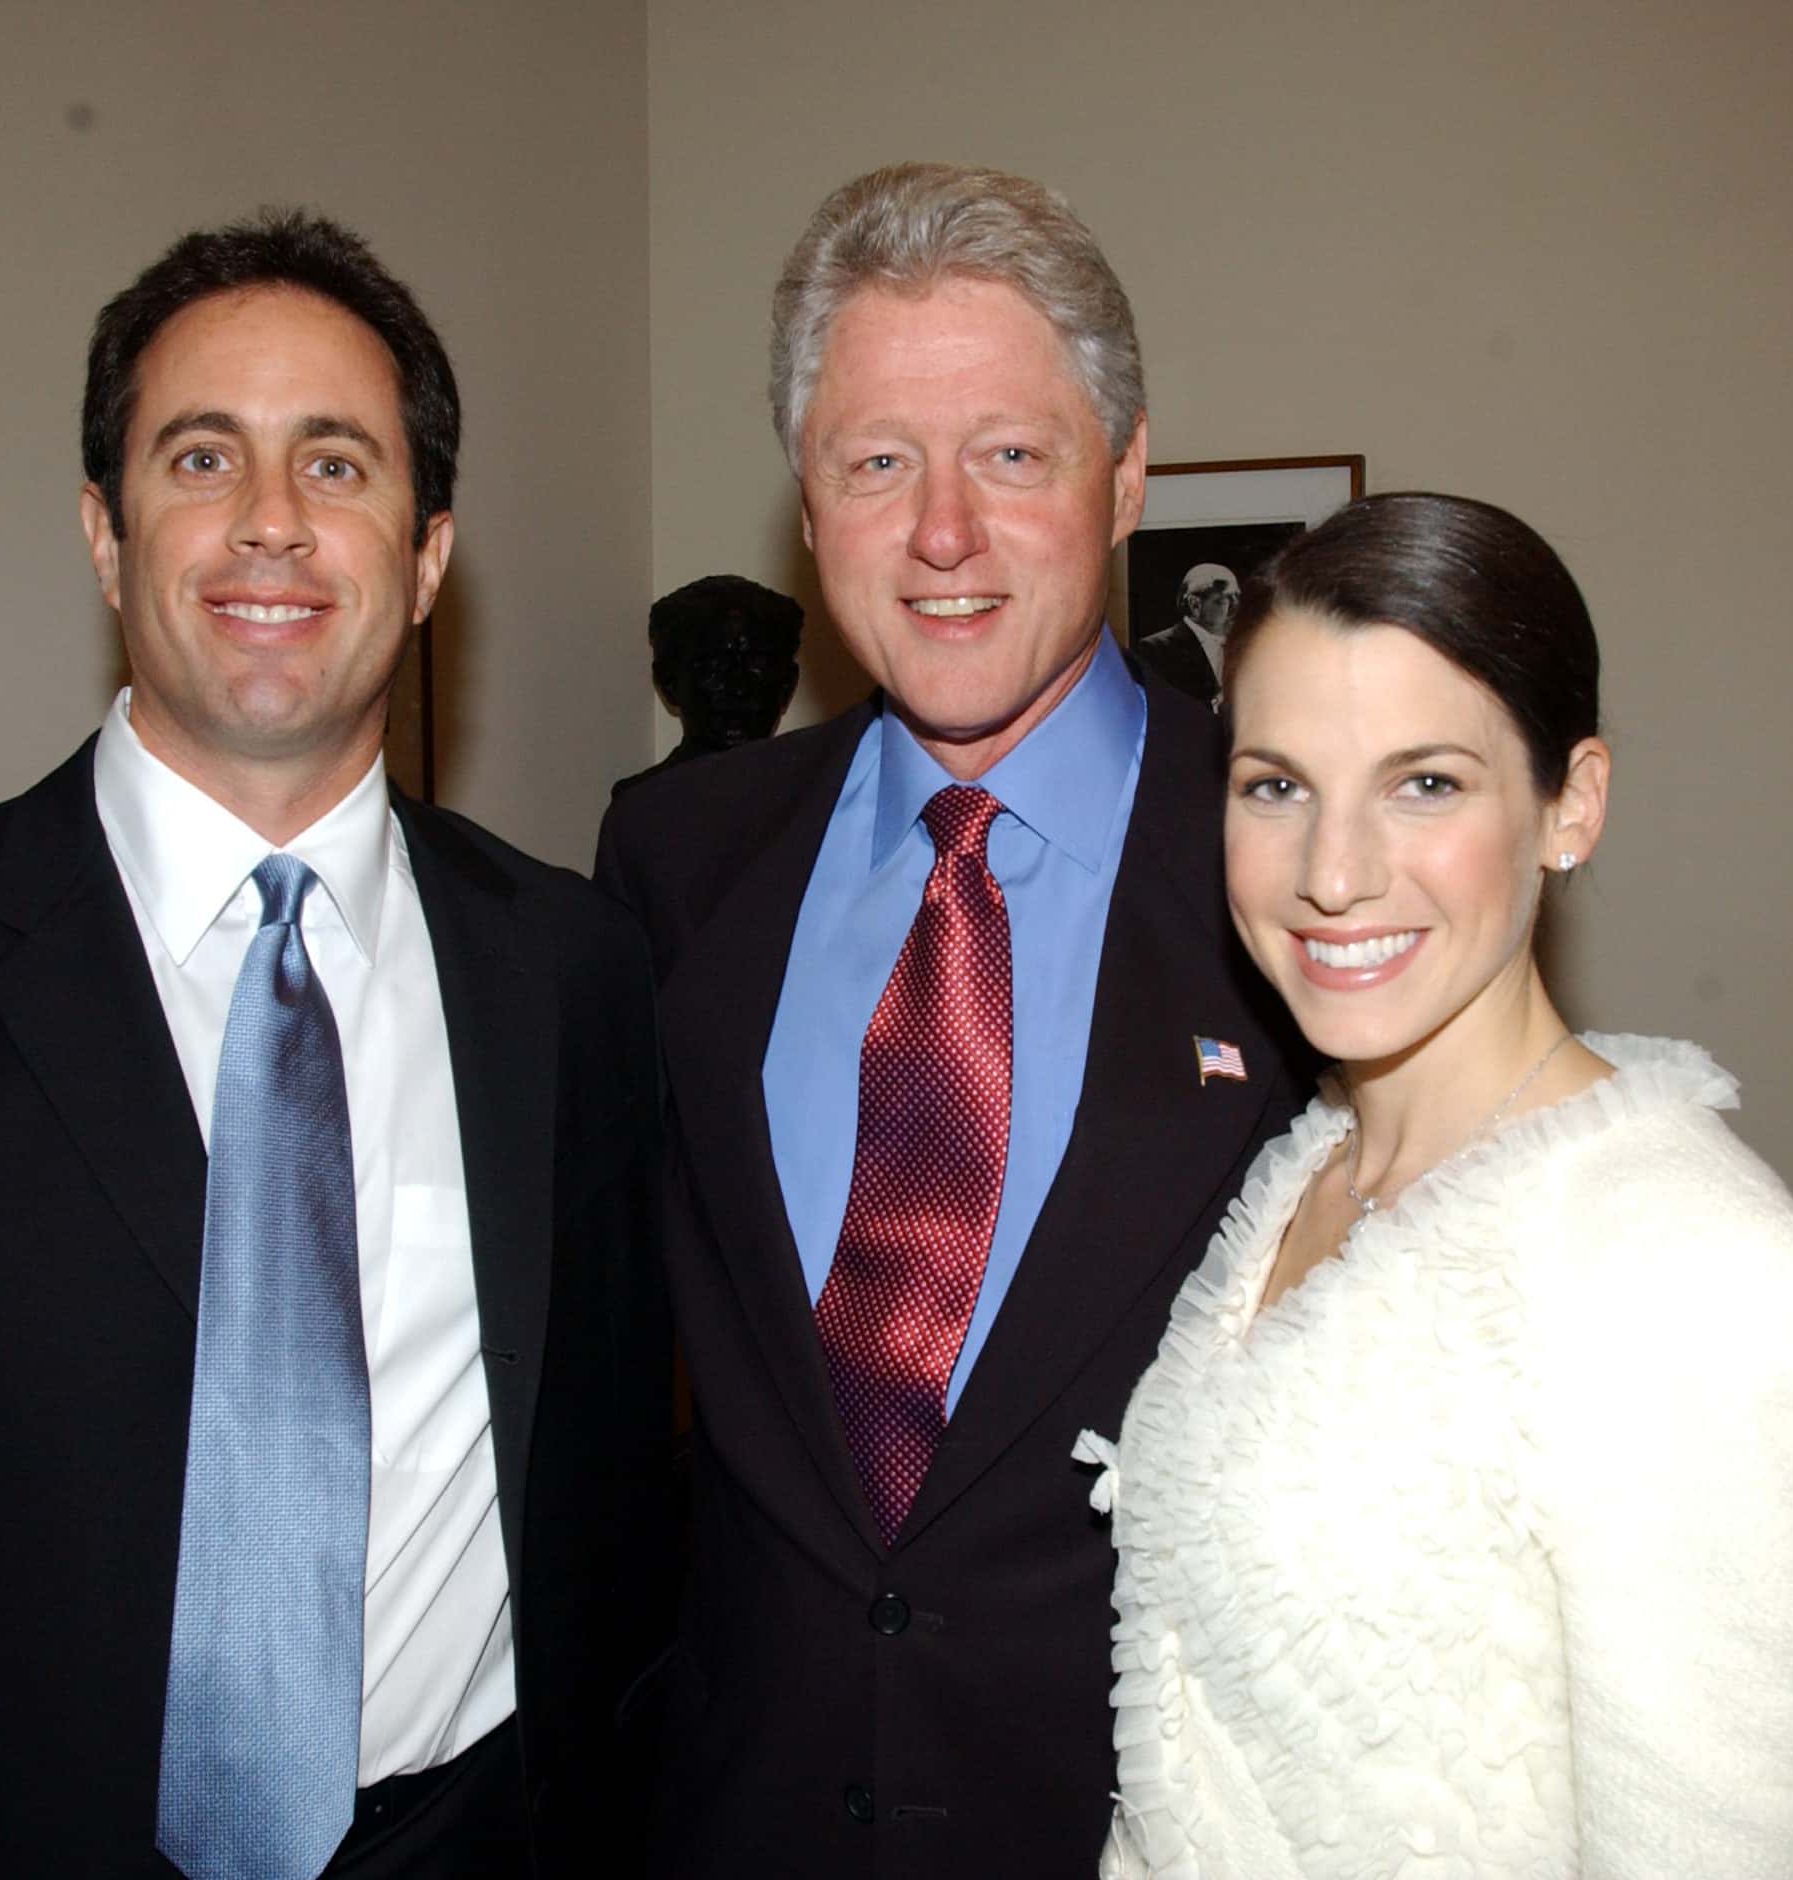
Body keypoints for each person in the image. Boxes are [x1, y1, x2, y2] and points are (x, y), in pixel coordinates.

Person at [0, 210, 674, 1880]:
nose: (274, 526)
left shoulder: (573, 971)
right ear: (105, 531)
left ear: (430, 552)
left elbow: (610, 1489)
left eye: (340, 465)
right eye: (204, 457)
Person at [594, 161, 1304, 1875]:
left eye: (1009, 453)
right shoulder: (678, 856)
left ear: (1127, 474)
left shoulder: (1302, 868)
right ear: (807, 497)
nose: (941, 534)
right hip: (732, 1815)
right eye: (877, 463)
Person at [1086, 492, 1793, 1877]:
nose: (1332, 875)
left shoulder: (1701, 1276)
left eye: (1427, 783)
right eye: (1276, 785)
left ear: (1570, 802)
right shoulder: (1303, 1175)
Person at [611, 573, 804, 794]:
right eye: (714, 665)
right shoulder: (639, 805)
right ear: (669, 683)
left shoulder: (819, 797)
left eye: (757, 664)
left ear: (787, 685)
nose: (738, 687)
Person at [1131, 561, 1237, 704]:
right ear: (1195, 604)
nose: (1230, 609)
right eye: (1220, 601)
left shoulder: (1238, 645)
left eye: (1232, 601)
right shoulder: (1154, 648)